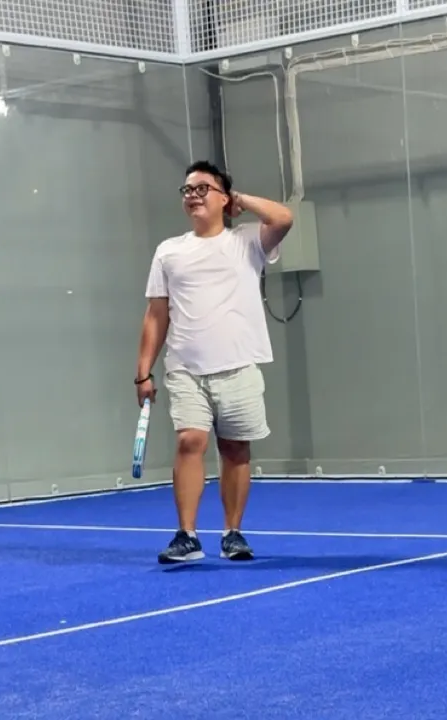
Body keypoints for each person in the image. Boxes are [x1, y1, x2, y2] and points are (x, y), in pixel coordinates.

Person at [135, 160, 293, 564]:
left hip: (239, 365)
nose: (193, 195)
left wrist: (241, 199)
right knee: (190, 441)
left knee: (236, 450)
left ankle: (232, 533)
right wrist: (142, 372)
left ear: (224, 198)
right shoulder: (169, 251)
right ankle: (186, 535)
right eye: (188, 190)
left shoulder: (248, 241)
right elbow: (156, 314)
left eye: (203, 188)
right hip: (185, 369)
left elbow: (283, 217)